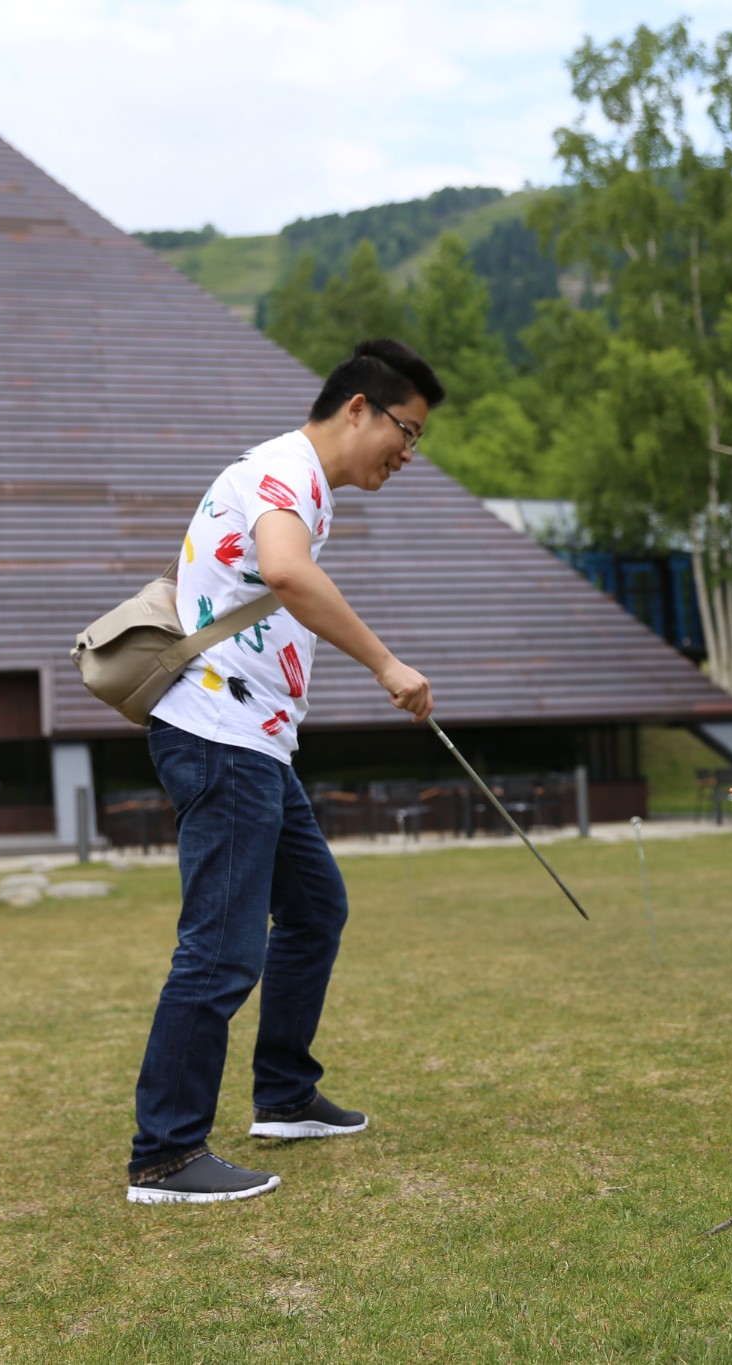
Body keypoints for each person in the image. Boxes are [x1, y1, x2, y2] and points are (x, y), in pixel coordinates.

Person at [125, 339, 444, 1205]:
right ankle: (164, 1154)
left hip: (255, 742)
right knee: (221, 947)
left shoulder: (299, 483)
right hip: (222, 737)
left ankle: (285, 1095)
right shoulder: (285, 471)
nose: (407, 455)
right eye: (405, 432)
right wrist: (386, 664)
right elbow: (285, 572)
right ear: (357, 410)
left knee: (313, 908)